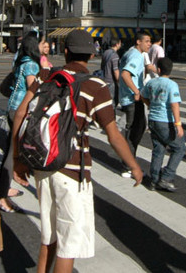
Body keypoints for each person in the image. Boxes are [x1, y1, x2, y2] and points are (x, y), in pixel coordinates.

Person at [12, 29, 142, 273]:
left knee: (48, 236)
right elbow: (113, 135)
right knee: (68, 245)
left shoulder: (46, 76)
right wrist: (134, 166)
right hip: (72, 171)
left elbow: (20, 113)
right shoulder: (96, 86)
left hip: (42, 165)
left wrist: (19, 159)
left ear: (66, 51)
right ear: (91, 56)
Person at [0, 36, 42, 212]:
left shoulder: (21, 61)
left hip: (12, 105)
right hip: (20, 109)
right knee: (13, 153)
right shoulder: (31, 64)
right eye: (40, 43)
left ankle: (5, 188)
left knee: (12, 150)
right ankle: (1, 195)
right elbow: (33, 88)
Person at [141, 57, 184, 192]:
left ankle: (154, 180)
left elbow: (143, 96)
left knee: (158, 149)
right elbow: (174, 105)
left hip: (153, 119)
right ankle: (167, 177)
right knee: (179, 148)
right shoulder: (172, 85)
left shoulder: (152, 83)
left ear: (158, 70)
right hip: (166, 121)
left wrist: (150, 105)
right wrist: (178, 124)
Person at [118, 32, 151, 178]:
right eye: (147, 41)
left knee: (137, 128)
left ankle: (129, 163)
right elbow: (125, 74)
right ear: (139, 42)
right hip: (132, 99)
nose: (149, 44)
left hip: (128, 97)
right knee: (134, 131)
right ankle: (128, 166)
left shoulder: (130, 52)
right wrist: (136, 91)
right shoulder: (136, 56)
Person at [100, 38, 122, 103]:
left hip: (104, 79)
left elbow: (102, 66)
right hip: (111, 81)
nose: (120, 45)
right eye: (120, 43)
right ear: (117, 44)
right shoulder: (115, 55)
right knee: (112, 101)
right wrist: (118, 81)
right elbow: (116, 70)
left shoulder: (105, 52)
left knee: (105, 101)